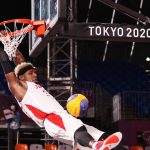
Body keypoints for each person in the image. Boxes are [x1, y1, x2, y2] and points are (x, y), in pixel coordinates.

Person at [0, 32, 122, 150]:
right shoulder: (18, 88)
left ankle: (106, 146)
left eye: (35, 72)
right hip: (52, 119)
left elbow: (20, 60)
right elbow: (6, 63)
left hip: (61, 117)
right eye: (31, 73)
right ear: (21, 77)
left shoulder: (31, 85)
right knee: (80, 131)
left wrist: (9, 42)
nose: (35, 75)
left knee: (100, 136)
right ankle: (95, 145)